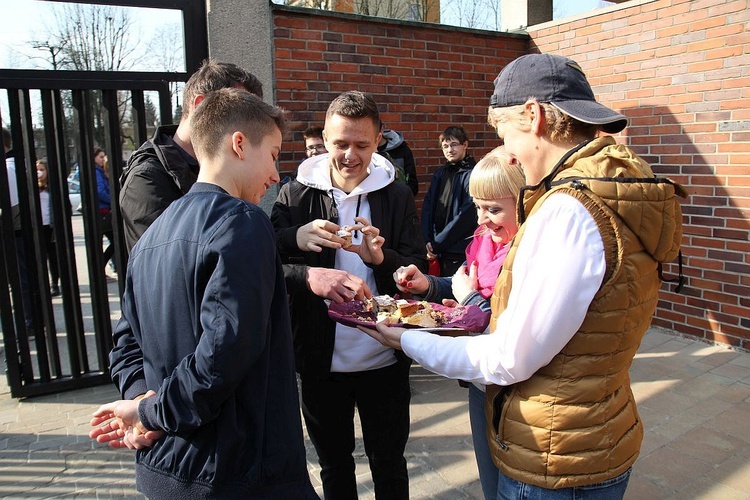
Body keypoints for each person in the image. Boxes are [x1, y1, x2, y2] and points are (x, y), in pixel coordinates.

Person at [360, 53, 685, 499]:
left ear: (533, 116)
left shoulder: (568, 209)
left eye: (504, 134)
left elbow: (509, 358)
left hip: (555, 454)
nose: (506, 153)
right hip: (597, 430)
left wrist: (406, 339)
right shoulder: (623, 186)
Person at [89, 88, 318, 499]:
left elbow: (125, 344)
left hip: (165, 467)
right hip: (238, 471)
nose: (275, 174)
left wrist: (143, 403)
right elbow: (224, 354)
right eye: (273, 154)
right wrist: (148, 411)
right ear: (239, 143)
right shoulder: (243, 223)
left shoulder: (151, 236)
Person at [271, 90, 427, 499]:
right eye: (340, 144)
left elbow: (416, 268)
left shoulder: (395, 194)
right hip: (320, 361)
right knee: (334, 466)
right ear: (324, 139)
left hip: (385, 356)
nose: (349, 155)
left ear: (378, 141)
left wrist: (382, 259)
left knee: (390, 464)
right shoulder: (295, 193)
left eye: (361, 144)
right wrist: (297, 242)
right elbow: (264, 263)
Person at [393, 146, 524, 499]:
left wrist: (466, 298)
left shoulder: (529, 251)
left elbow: (498, 320)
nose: (482, 219)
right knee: (490, 484)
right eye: (478, 207)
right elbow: (463, 281)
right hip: (481, 381)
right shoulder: (485, 239)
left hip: (517, 394)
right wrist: (428, 284)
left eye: (494, 209)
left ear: (524, 202)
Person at [119, 59, 263, 253]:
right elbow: (182, 264)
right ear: (201, 106)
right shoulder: (147, 178)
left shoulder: (224, 163)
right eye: (242, 115)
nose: (249, 129)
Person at [421, 125, 477, 277]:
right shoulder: (441, 173)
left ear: (465, 145)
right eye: (445, 146)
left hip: (459, 249)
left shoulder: (473, 175)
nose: (449, 150)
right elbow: (428, 206)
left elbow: (466, 215)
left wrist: (437, 243)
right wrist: (427, 240)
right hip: (436, 248)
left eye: (454, 144)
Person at [3, 127, 34, 333]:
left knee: (21, 280)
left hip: (15, 230)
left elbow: (11, 204)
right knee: (26, 278)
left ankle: (28, 321)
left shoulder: (9, 167)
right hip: (26, 228)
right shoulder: (20, 164)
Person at [36, 159, 60, 296]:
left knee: (53, 256)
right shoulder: (32, 187)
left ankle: (54, 283)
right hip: (38, 226)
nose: (39, 172)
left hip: (50, 225)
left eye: (42, 169)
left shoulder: (52, 187)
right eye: (37, 169)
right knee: (40, 256)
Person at [93, 148, 115, 279]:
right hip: (102, 213)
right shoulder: (96, 172)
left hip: (103, 212)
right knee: (115, 241)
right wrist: (112, 200)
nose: (103, 159)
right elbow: (100, 191)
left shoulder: (100, 171)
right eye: (100, 157)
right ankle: (100, 268)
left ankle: (100, 268)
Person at [377, 126, 418, 195]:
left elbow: (413, 186)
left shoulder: (402, 150)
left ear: (381, 130)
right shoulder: (364, 153)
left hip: (398, 201)